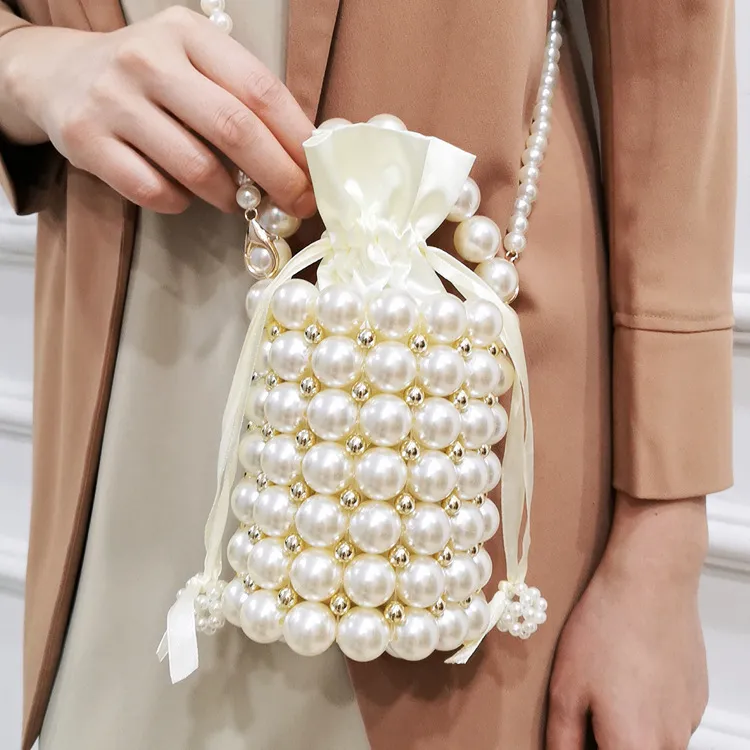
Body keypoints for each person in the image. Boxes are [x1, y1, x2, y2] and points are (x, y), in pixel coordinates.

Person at [0, 1, 736, 748]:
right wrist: (22, 64)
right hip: (123, 414)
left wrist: (662, 539)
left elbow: (671, 35)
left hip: (467, 435)